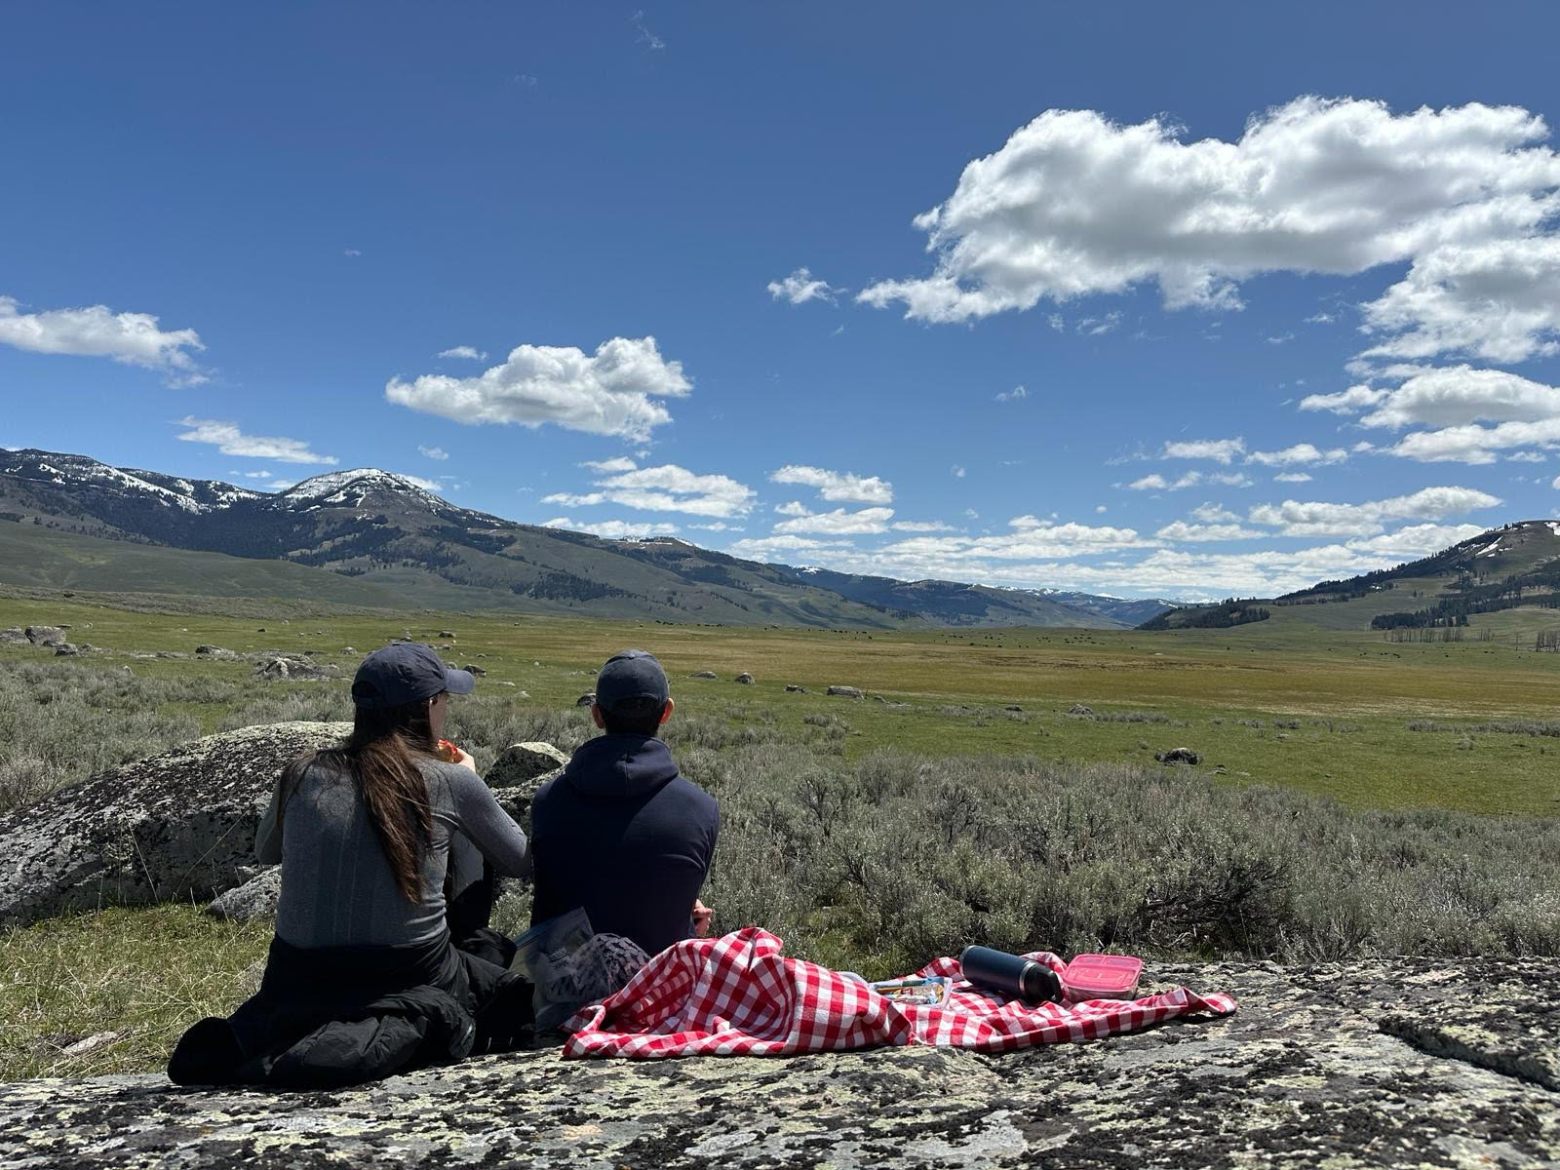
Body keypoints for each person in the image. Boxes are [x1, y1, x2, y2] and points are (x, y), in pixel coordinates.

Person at [168, 643, 534, 1089]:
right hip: (409, 971)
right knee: (506, 984)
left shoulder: (301, 772)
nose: (447, 710)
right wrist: (470, 780)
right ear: (427, 708)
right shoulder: (452, 779)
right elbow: (520, 860)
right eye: (444, 701)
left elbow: (268, 852)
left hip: (297, 975)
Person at [529, 649, 720, 959]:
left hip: (561, 991)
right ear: (666, 712)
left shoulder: (548, 800)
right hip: (656, 994)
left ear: (597, 715)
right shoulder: (701, 810)